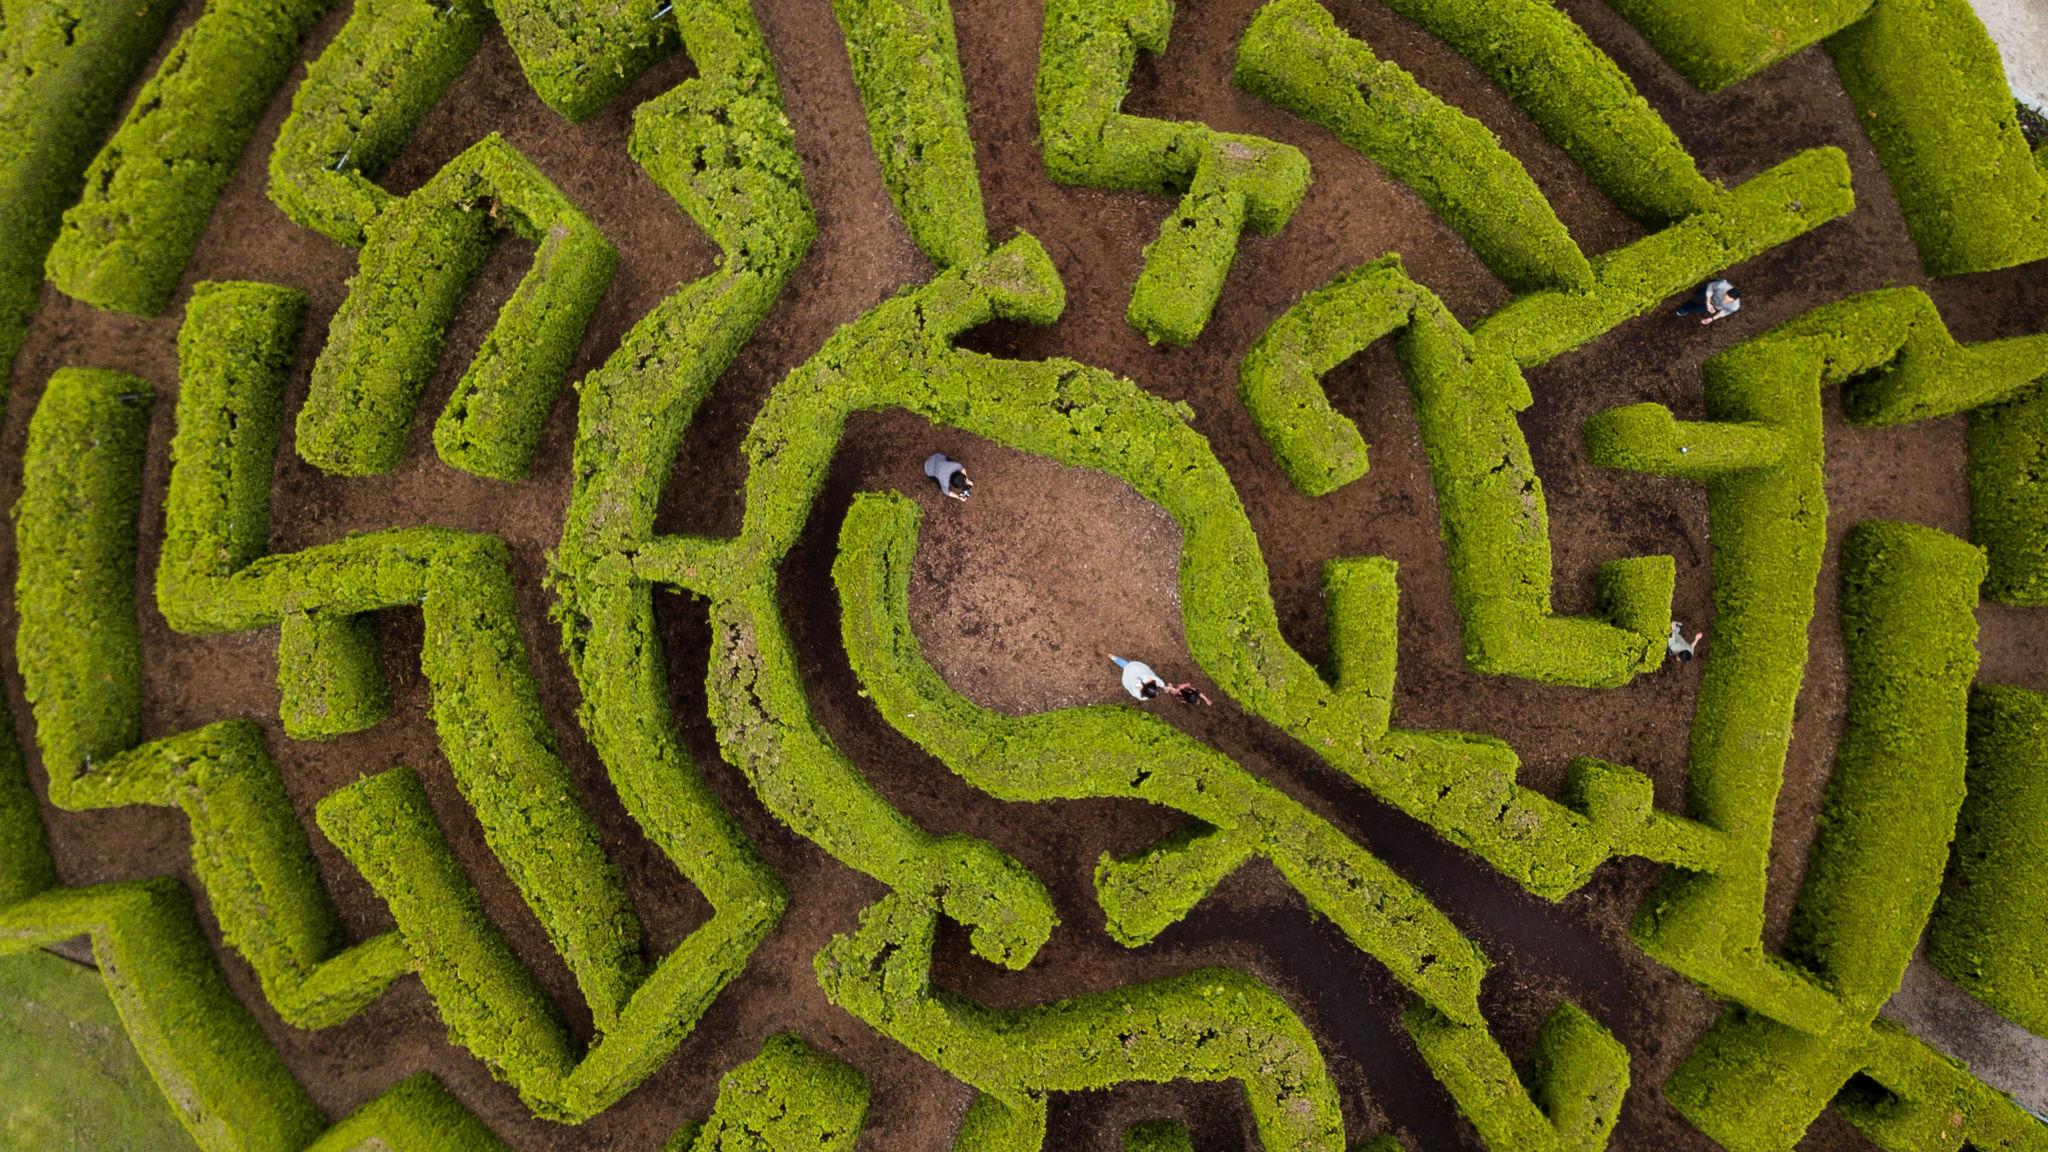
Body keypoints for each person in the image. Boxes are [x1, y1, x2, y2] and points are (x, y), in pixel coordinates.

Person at [1676, 280, 1741, 325]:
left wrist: (1712, 318)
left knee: (1698, 309)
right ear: (1726, 292)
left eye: (1728, 301)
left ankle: (1688, 307)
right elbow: (1710, 286)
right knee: (1698, 296)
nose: (1724, 300)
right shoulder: (1722, 285)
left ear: (1734, 300)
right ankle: (1696, 295)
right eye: (1725, 297)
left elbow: (1725, 312)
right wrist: (1708, 302)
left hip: (1714, 305)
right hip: (1710, 295)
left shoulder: (1735, 306)